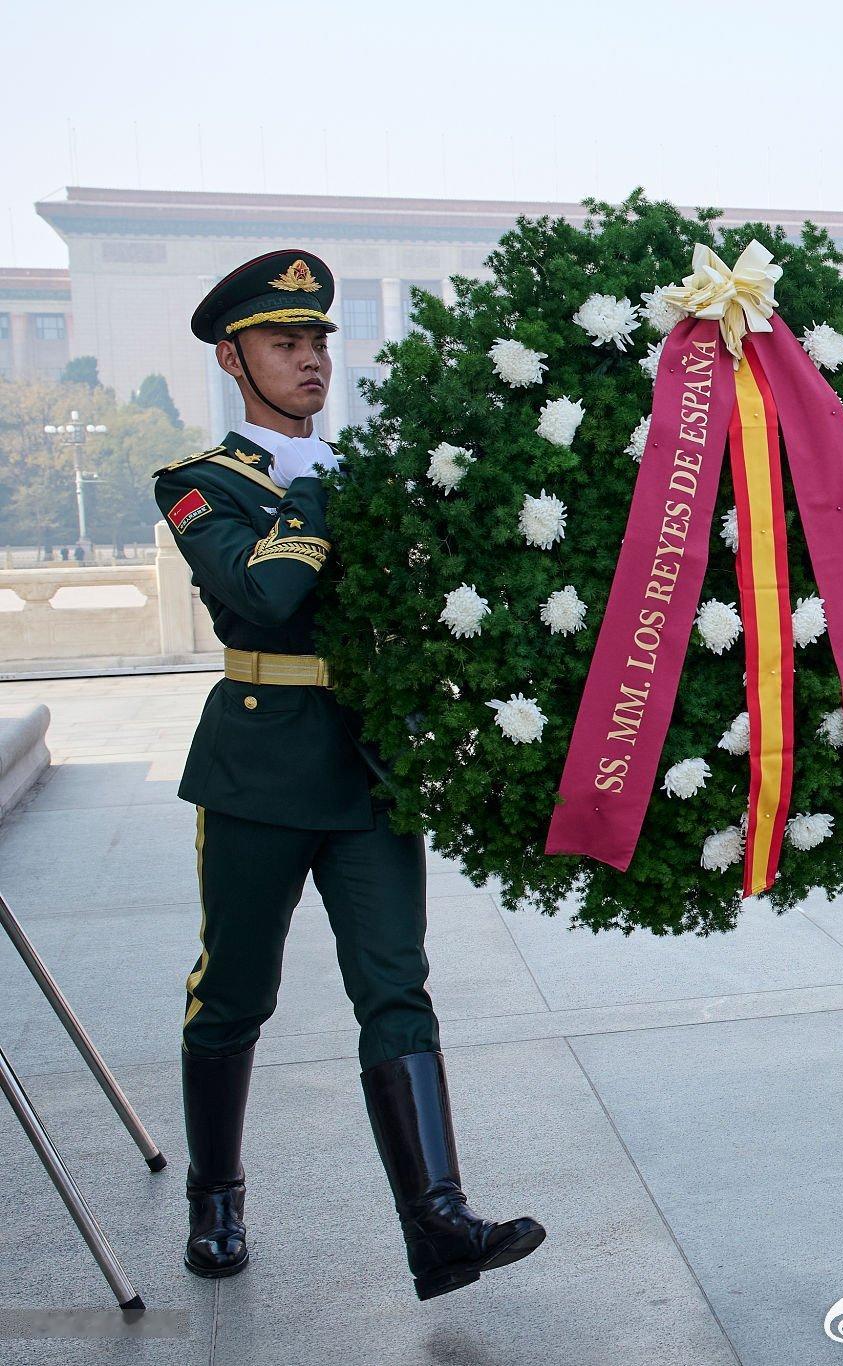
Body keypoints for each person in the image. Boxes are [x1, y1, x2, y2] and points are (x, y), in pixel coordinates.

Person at [156, 250, 543, 1299]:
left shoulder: (362, 475)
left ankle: (438, 1223)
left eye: (320, 339)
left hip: (371, 767)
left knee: (396, 985)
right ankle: (216, 1194)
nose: (311, 359)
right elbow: (266, 596)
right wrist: (327, 488)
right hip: (258, 770)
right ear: (235, 358)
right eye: (285, 342)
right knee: (235, 992)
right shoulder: (200, 485)